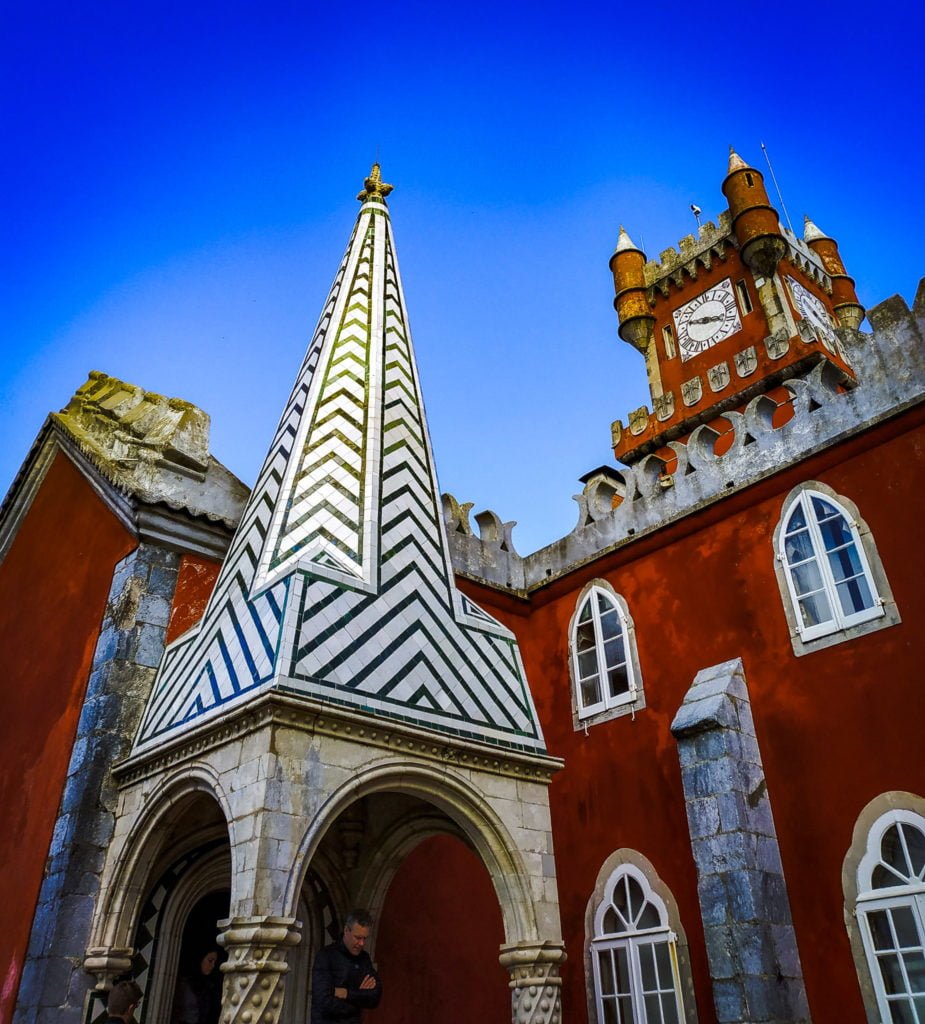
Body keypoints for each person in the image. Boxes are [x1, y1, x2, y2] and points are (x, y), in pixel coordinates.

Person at [310, 910, 382, 1023]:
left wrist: (346, 993)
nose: (362, 943)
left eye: (365, 938)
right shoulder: (326, 956)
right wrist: (359, 999)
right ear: (346, 931)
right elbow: (324, 1001)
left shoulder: (364, 959)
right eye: (358, 938)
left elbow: (374, 997)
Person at [171, 947, 222, 1024]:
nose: (213, 966)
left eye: (215, 962)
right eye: (210, 961)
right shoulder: (183, 984)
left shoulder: (210, 987)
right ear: (200, 959)